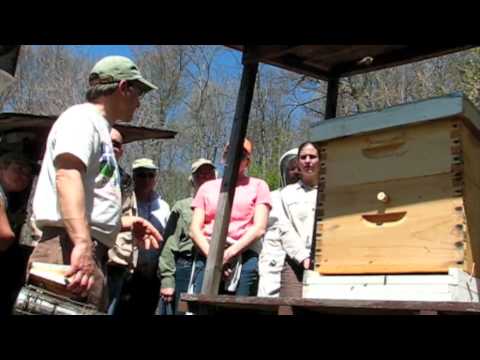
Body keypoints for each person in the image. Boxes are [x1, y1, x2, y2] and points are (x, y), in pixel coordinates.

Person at [28, 56, 162, 311]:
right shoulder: (81, 119)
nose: (139, 102)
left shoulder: (100, 129)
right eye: (138, 91)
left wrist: (122, 224)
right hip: (68, 250)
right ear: (123, 87)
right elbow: (67, 176)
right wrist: (81, 243)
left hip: (84, 250)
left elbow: (89, 197)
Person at [190, 138, 271, 296]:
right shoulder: (206, 188)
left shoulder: (259, 186)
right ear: (223, 158)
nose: (234, 157)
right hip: (207, 253)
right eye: (230, 152)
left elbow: (259, 228)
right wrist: (214, 258)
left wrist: (228, 254)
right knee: (201, 306)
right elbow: (194, 229)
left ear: (247, 162)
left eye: (240, 154)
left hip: (244, 254)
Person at [157, 158, 216, 315]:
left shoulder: (223, 207)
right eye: (200, 174)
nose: (205, 177)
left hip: (212, 269)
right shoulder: (182, 206)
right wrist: (167, 280)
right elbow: (169, 245)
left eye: (209, 173)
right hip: (185, 267)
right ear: (193, 180)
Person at [123, 158, 170, 315]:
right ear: (134, 177)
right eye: (142, 175)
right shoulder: (125, 202)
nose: (147, 179)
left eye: (150, 175)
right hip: (126, 271)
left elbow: (166, 240)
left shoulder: (163, 207)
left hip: (151, 274)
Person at [278, 142, 320, 298]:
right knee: (288, 308)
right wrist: (303, 257)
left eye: (312, 156)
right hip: (295, 262)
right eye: (303, 157)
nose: (308, 160)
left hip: (326, 261)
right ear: (298, 162)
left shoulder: (332, 190)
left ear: (321, 160)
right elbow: (284, 229)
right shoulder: (287, 193)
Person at [257, 149, 300, 297]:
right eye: (292, 168)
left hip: (301, 261)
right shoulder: (271, 197)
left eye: (299, 168)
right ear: (284, 172)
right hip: (273, 260)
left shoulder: (315, 195)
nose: (296, 172)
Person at [0, 152, 36, 315]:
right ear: (2, 168)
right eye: (19, 169)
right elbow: (4, 235)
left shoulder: (13, 199)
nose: (24, 176)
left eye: (28, 173)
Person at [106, 128, 137, 315]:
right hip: (88, 253)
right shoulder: (85, 170)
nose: (113, 147)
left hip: (117, 258)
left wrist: (130, 259)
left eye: (117, 144)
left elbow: (130, 218)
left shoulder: (125, 180)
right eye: (109, 142)